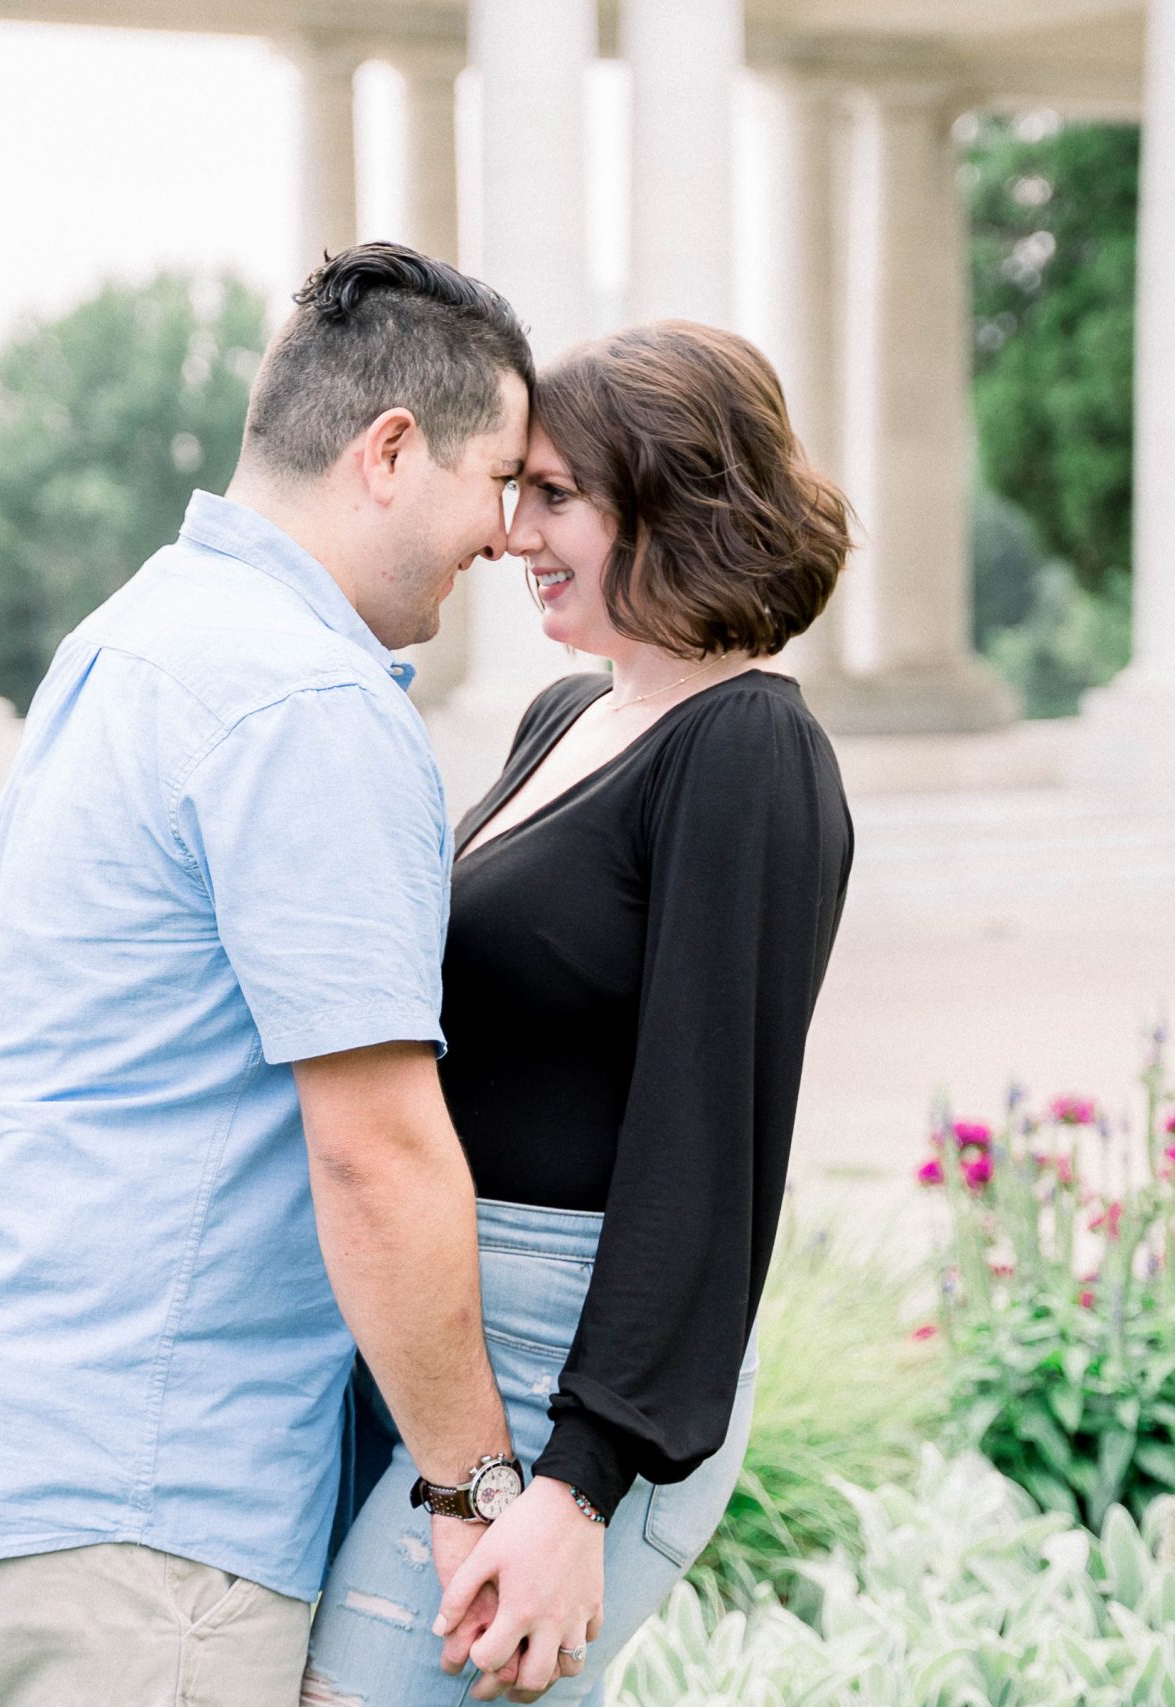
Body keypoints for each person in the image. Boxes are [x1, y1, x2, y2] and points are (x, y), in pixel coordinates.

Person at [0, 243, 601, 1705]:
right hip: (148, 1508)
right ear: (390, 450)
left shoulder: (133, 636)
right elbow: (374, 1151)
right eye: (498, 479)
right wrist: (482, 1489)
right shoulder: (305, 698)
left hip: (0, 1449)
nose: (508, 532)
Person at [303, 320, 856, 1705]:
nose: (512, 530)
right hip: (450, 1337)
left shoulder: (748, 744)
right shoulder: (564, 712)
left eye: (555, 493)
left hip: (575, 1374)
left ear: (668, 497)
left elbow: (705, 1137)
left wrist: (580, 1481)